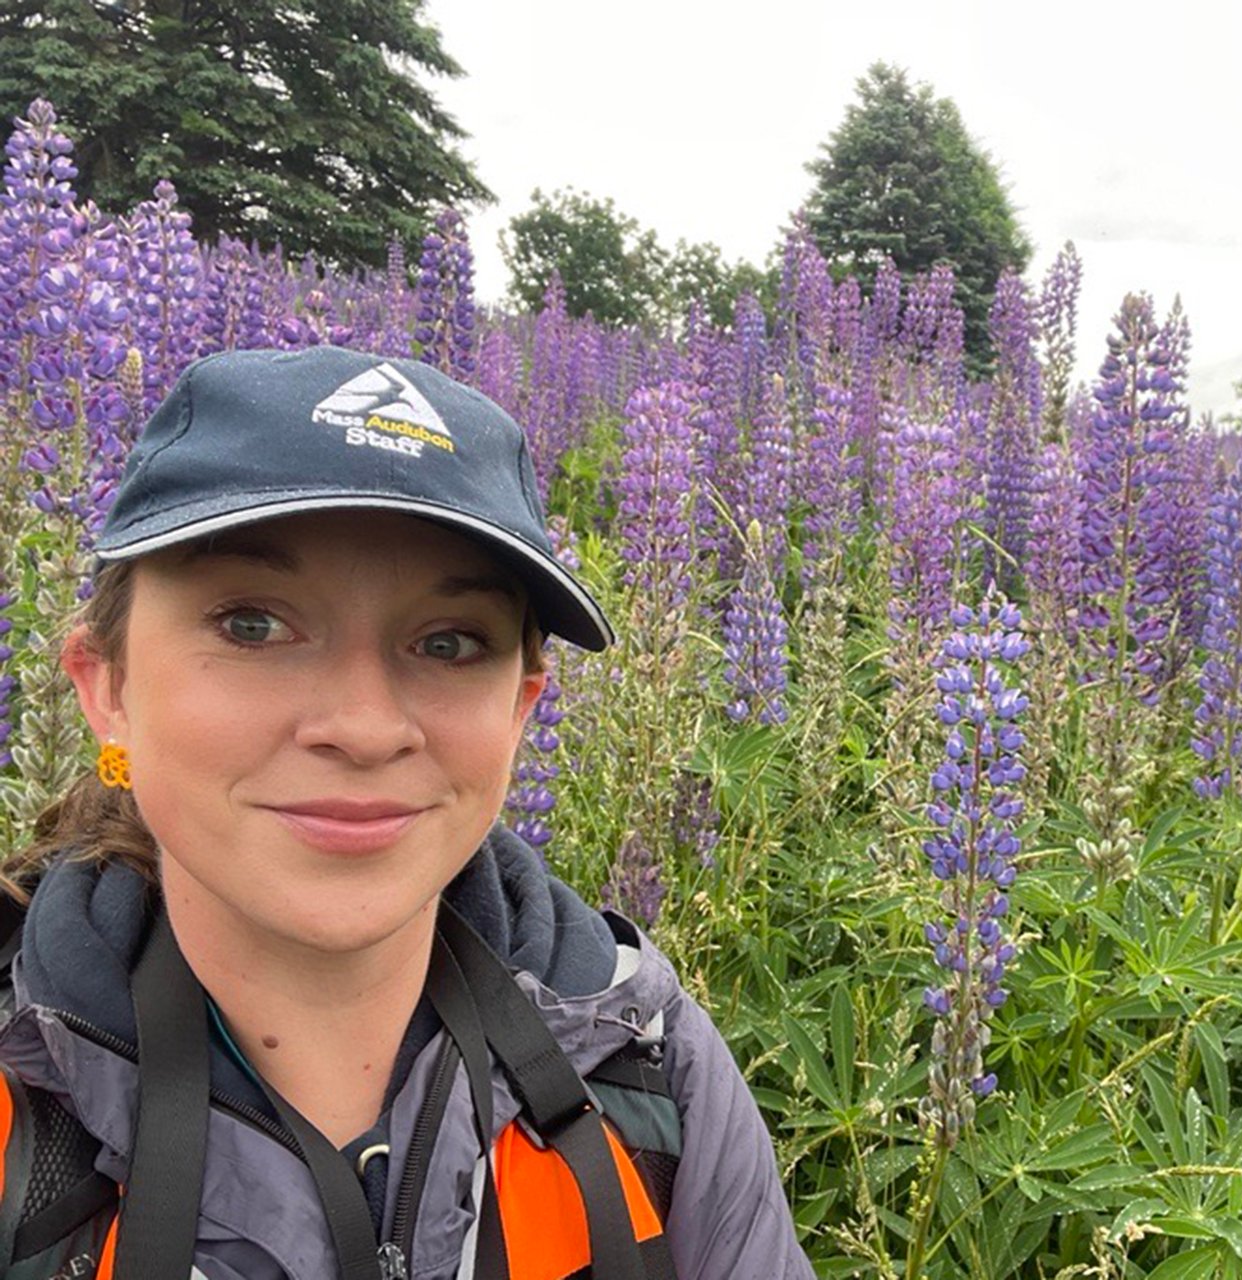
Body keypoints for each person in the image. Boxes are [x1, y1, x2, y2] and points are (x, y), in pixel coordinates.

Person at [0, 346, 817, 1279]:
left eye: (449, 641)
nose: (363, 727)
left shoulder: (644, 1062)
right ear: (106, 687)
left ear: (520, 709)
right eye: (252, 623)